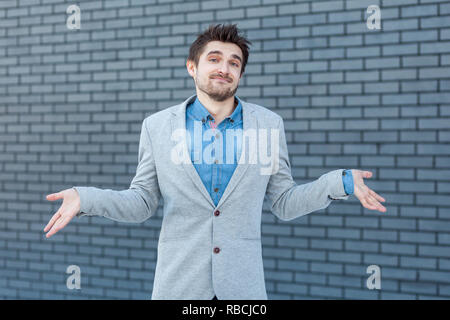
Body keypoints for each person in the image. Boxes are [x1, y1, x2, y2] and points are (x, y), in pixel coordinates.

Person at [44, 23, 387, 300]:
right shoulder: (157, 126)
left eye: (234, 63)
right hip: (178, 288)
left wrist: (337, 182)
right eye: (214, 59)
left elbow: (284, 202)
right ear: (192, 67)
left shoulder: (268, 125)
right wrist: (85, 197)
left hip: (243, 290)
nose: (224, 68)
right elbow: (142, 202)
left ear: (241, 74)